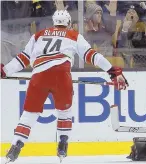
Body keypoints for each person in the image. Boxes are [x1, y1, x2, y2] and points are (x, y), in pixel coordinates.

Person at [0, 10, 128, 163]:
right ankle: (62, 146)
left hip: (39, 76)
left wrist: (5, 70)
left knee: (29, 114)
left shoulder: (39, 35)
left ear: (54, 22)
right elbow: (93, 56)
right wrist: (113, 72)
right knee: (64, 111)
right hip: (62, 76)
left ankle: (16, 146)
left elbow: (23, 59)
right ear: (68, 23)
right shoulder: (73, 35)